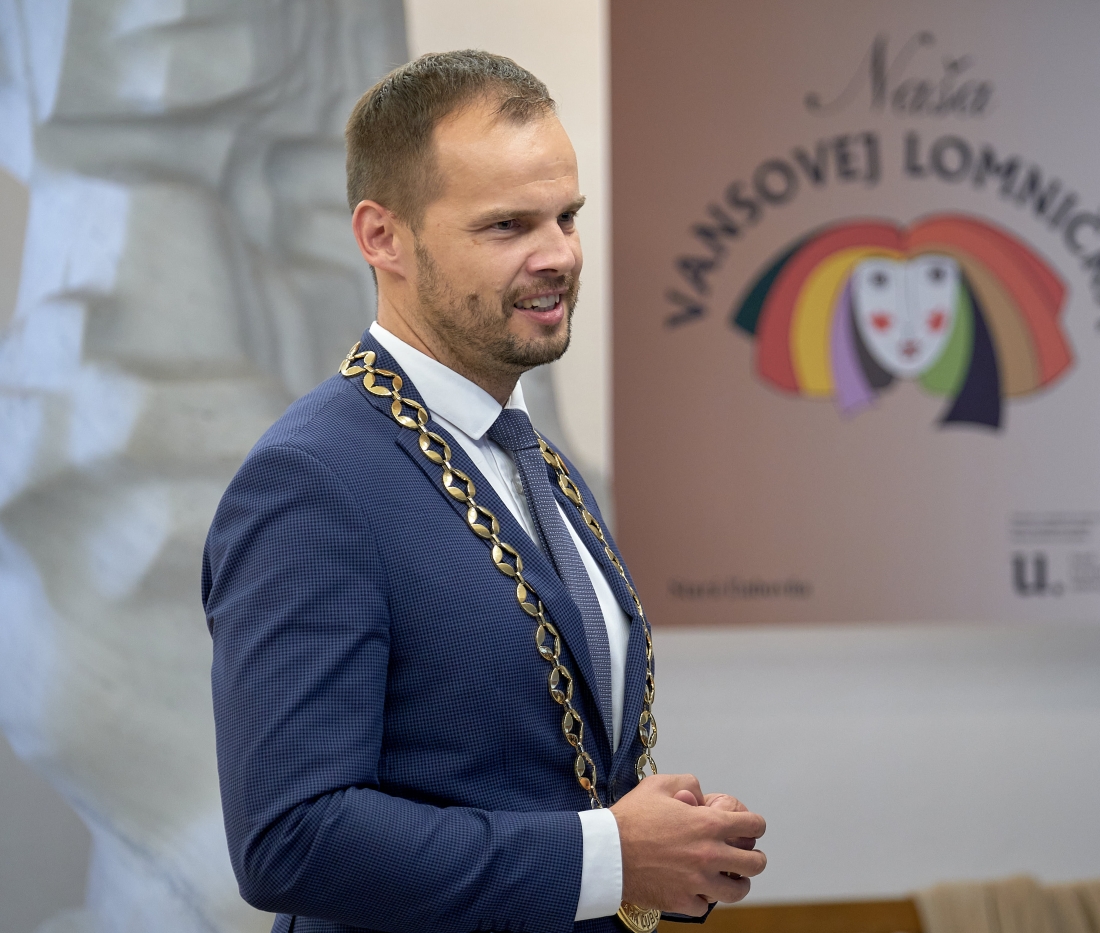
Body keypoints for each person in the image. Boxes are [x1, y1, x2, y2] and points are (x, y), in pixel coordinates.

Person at [202, 50, 767, 933]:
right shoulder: (309, 483)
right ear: (382, 237)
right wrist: (610, 855)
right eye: (507, 226)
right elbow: (291, 837)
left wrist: (662, 847)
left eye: (567, 216)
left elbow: (538, 771)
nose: (560, 256)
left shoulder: (529, 454)